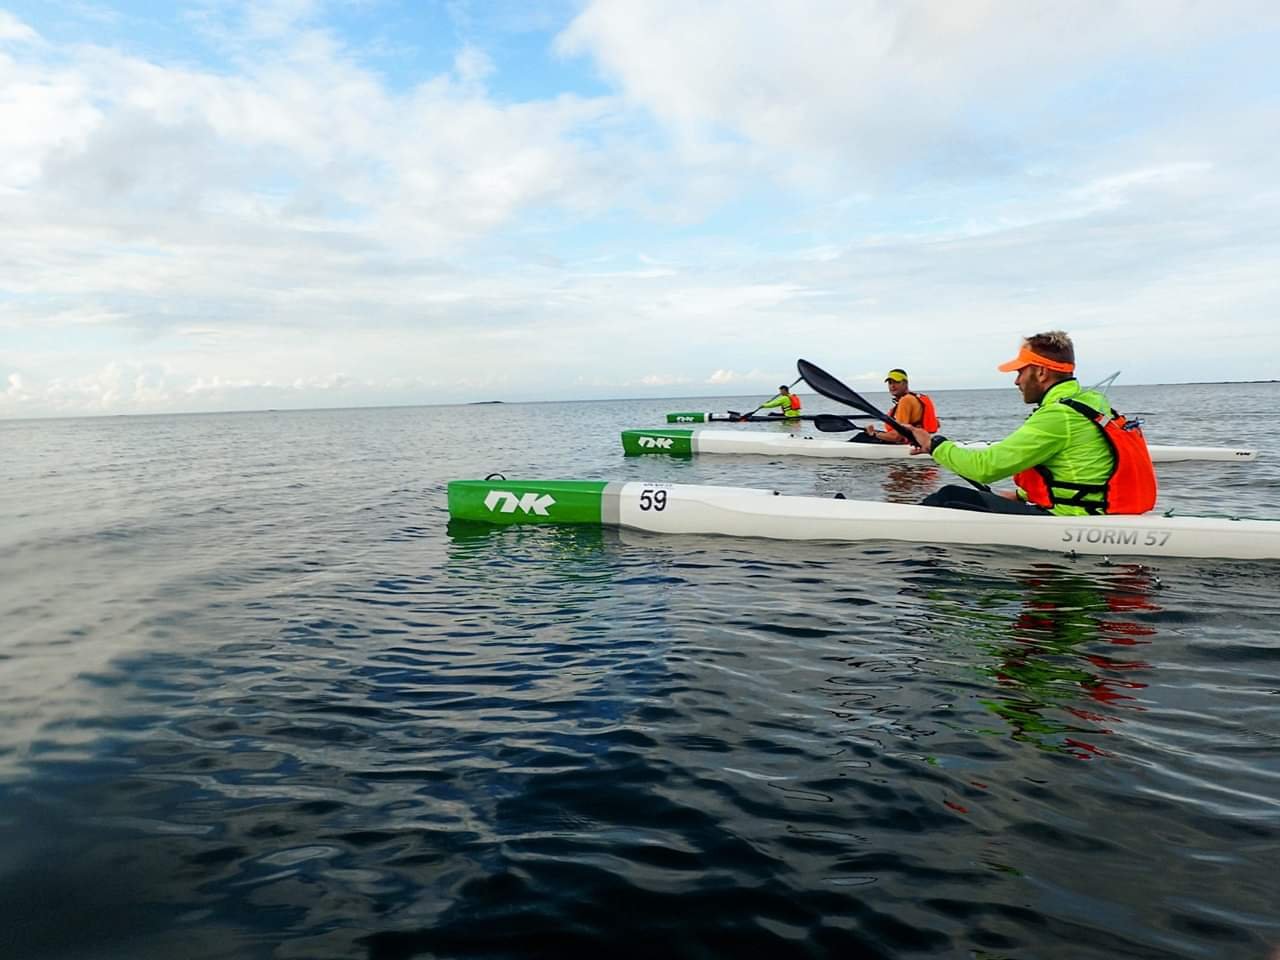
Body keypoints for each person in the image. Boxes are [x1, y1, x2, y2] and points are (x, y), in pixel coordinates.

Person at [904, 331, 1157, 516]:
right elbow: (1081, 466)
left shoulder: (1058, 416)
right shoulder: (1089, 401)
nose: (1016, 381)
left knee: (948, 497)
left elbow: (984, 468)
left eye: (1020, 372)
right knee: (959, 497)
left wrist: (935, 444)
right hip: (1087, 510)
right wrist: (1021, 495)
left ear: (1041, 372)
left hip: (1074, 519)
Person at [851, 368, 940, 443]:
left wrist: (874, 434)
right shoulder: (914, 398)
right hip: (921, 441)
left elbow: (897, 437)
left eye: (896, 382)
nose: (892, 386)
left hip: (909, 444)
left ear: (905, 383)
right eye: (890, 383)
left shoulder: (906, 400)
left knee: (861, 436)